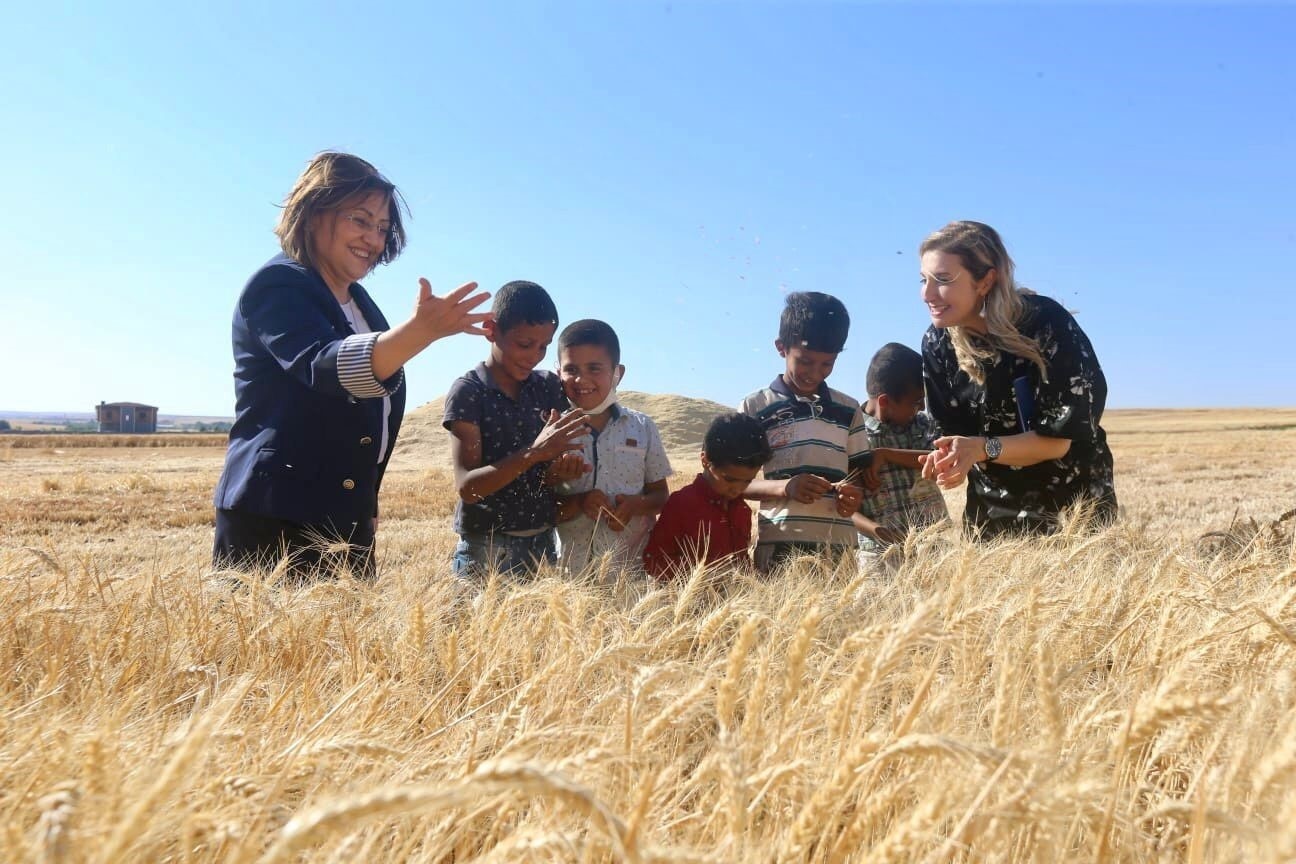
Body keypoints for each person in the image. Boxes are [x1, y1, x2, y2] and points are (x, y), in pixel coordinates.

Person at [213, 152, 491, 579]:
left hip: (344, 519)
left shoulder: (361, 307)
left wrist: (364, 501)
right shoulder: (279, 286)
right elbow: (325, 367)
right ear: (312, 213)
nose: (374, 239)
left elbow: (369, 417)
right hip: (276, 518)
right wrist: (421, 332)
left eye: (382, 228)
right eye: (360, 220)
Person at [918, 220, 1116, 538]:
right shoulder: (938, 343)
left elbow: (1056, 442)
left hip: (1072, 509)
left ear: (985, 281)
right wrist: (951, 460)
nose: (926, 293)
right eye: (923, 279)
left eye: (942, 279)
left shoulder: (1045, 325)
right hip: (991, 513)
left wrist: (980, 449)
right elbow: (955, 438)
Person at [443, 281, 590, 580]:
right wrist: (534, 453)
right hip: (486, 547)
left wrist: (562, 467)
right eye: (525, 344)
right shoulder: (469, 393)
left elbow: (552, 463)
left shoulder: (547, 387)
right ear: (491, 329)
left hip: (543, 543)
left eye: (544, 347)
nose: (534, 355)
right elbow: (467, 487)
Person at [739, 292, 868, 571]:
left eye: (827, 364)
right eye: (805, 361)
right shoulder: (755, 406)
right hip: (779, 548)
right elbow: (735, 483)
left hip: (840, 549)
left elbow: (859, 479)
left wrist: (853, 497)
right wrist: (785, 487)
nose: (815, 373)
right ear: (781, 347)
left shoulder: (849, 409)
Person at [553, 320, 672, 579]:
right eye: (571, 369)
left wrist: (634, 505)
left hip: (630, 576)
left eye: (594, 368)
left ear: (618, 372)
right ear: (557, 371)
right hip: (568, 579)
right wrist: (578, 502)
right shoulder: (551, 432)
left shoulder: (642, 427)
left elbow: (661, 496)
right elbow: (539, 507)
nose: (581, 379)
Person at [852, 343, 949, 566]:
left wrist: (886, 454)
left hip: (932, 544)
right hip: (880, 553)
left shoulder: (921, 424)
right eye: (916, 402)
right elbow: (843, 505)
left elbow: (937, 459)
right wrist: (878, 531)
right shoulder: (852, 435)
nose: (922, 407)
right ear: (885, 401)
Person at [643, 413, 772, 580]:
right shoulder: (681, 504)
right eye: (729, 479)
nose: (737, 489)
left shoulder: (743, 510)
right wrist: (707, 576)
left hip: (733, 603)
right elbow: (654, 560)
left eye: (747, 481)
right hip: (689, 602)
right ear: (705, 460)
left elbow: (740, 562)